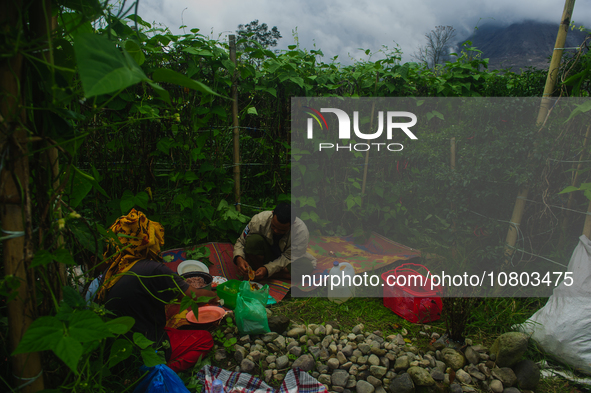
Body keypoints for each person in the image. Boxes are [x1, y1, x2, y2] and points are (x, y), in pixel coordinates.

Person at [96, 209, 217, 373]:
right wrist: (215, 296)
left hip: (119, 349)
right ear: (146, 239)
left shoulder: (112, 270)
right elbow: (194, 295)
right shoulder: (152, 269)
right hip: (145, 347)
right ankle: (161, 370)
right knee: (205, 339)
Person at [233, 202, 316, 285]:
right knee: (253, 241)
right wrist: (239, 258)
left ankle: (260, 274)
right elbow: (241, 241)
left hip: (284, 261)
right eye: (273, 226)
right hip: (265, 254)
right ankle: (260, 271)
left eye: (282, 230)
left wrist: (267, 269)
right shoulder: (259, 220)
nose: (276, 231)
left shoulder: (301, 233)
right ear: (272, 214)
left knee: (306, 267)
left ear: (292, 224)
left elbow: (287, 258)